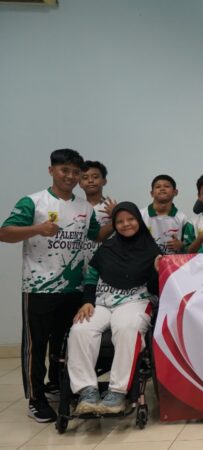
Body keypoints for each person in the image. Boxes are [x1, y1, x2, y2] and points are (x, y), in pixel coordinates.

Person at [0, 149, 112, 422]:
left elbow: (97, 236)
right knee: (36, 346)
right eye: (65, 170)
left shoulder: (85, 208)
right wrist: (37, 229)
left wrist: (118, 218)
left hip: (74, 289)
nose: (70, 176)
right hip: (40, 288)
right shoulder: (33, 202)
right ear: (51, 171)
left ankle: (57, 386)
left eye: (75, 172)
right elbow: (4, 233)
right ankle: (35, 399)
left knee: (66, 344)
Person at [68, 202, 161, 415]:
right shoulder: (107, 248)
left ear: (139, 221)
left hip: (136, 300)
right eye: (120, 221)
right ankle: (87, 391)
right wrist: (87, 301)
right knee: (80, 329)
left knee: (127, 328)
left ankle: (117, 393)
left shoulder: (152, 250)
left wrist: (157, 271)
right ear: (115, 225)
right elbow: (91, 276)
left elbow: (155, 288)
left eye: (130, 219)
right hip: (102, 300)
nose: (125, 224)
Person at [141, 175, 193, 255]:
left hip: (172, 261)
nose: (162, 189)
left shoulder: (182, 218)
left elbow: (189, 245)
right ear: (152, 193)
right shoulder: (140, 215)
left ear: (175, 192)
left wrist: (181, 245)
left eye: (167, 186)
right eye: (158, 187)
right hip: (146, 260)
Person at [79, 160, 114, 271]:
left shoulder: (112, 207)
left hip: (106, 263)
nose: (90, 181)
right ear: (80, 183)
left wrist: (116, 215)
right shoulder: (77, 208)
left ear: (104, 181)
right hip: (81, 264)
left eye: (95, 177)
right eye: (85, 178)